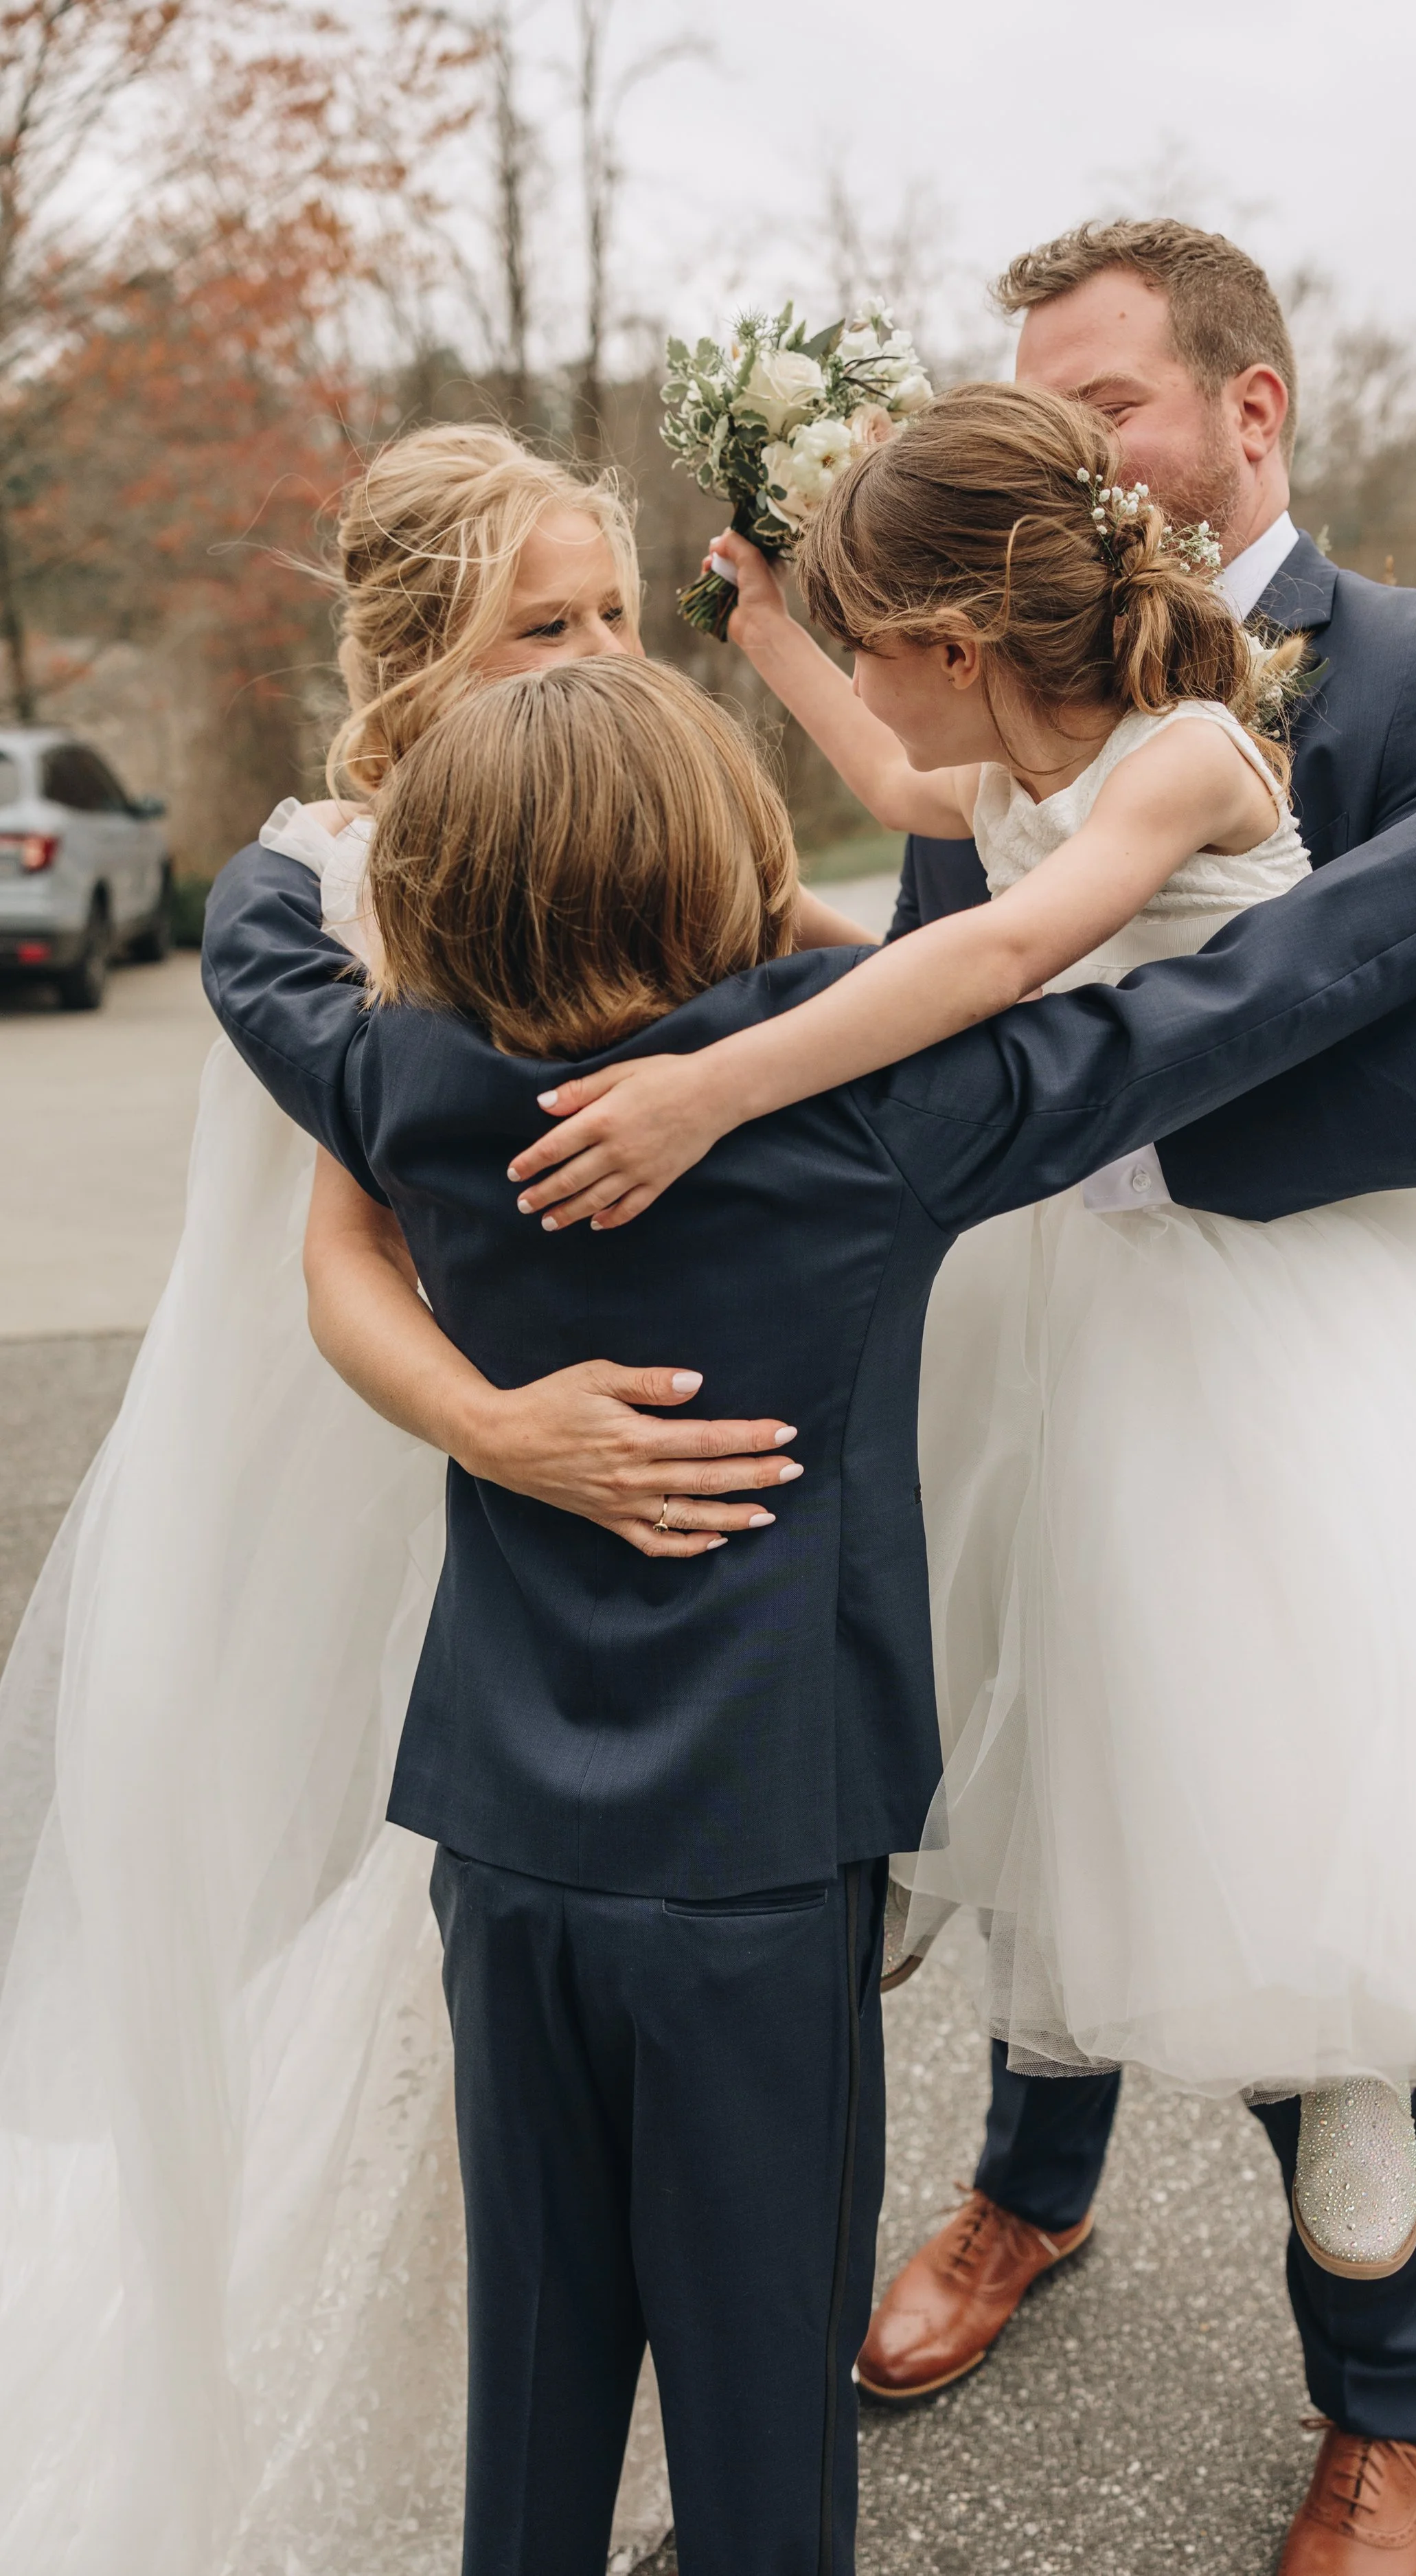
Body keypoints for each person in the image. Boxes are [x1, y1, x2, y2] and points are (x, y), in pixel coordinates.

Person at [198, 633, 1416, 2576]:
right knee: (761, 2413)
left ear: (446, 886)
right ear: (717, 859)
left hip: (501, 1844)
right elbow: (1254, 989)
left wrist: (342, 813)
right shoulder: (870, 1121)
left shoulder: (407, 1079)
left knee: (530, 2392)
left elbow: (254, 941)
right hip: (757, 1869)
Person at [496, 379, 1416, 2576]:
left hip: (1293, 1323)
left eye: (873, 628)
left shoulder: (1193, 747)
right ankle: (994, 2121)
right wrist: (766, 623)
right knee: (1085, 1683)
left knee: (1297, 1691)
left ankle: (1347, 2091)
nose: (870, 679)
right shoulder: (1011, 742)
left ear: (962, 632)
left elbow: (995, 952)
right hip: (1093, 1309)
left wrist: (713, 1096)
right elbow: (888, 789)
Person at [0, 422, 838, 2575]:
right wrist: (501, 1428)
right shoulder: (363, 883)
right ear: (407, 663)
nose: (588, 657)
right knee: (428, 1988)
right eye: (532, 627)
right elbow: (336, 1254)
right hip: (426, 1483)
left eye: (612, 620)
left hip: (659, 1547)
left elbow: (846, 966)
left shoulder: (652, 828)